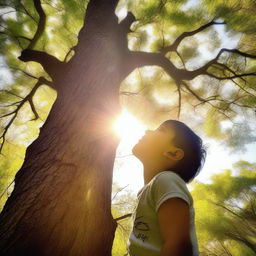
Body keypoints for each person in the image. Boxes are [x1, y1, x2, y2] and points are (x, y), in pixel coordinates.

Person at [127, 120, 206, 256]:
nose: (147, 130)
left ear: (173, 153)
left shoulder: (166, 179)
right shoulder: (148, 190)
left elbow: (179, 244)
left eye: (161, 129)